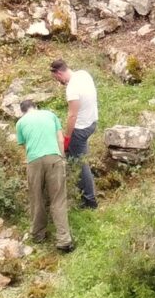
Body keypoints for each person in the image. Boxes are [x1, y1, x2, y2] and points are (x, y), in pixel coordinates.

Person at [14, 101, 75, 253]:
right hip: (54, 157)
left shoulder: (20, 123)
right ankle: (64, 239)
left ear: (23, 111)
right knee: (58, 199)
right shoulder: (50, 115)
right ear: (36, 107)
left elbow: (25, 145)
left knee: (36, 197)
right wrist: (61, 158)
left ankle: (38, 234)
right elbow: (60, 139)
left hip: (34, 161)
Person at [53, 57, 101, 209]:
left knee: (79, 163)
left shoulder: (72, 88)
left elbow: (72, 115)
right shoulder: (83, 74)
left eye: (56, 78)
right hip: (92, 122)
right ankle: (84, 192)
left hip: (80, 128)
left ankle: (89, 200)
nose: (58, 81)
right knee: (81, 155)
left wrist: (67, 137)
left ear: (59, 73)